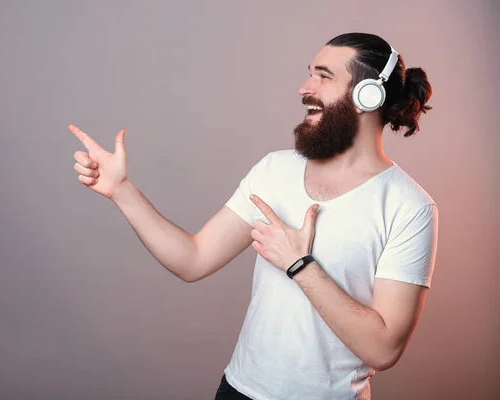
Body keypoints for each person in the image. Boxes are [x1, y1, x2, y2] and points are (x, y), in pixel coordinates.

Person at [68, 32, 438, 400]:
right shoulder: (274, 170)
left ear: (367, 95)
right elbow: (192, 260)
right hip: (239, 391)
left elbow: (383, 350)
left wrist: (300, 265)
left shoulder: (409, 207)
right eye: (310, 73)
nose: (304, 87)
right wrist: (121, 191)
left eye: (324, 76)